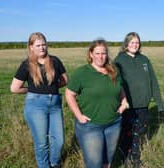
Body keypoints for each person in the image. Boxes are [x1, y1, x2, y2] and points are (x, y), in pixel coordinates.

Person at [65, 38, 129, 168]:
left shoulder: (113, 71)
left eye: (104, 53)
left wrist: (124, 103)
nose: (101, 57)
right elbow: (69, 94)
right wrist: (79, 116)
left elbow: (120, 88)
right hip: (90, 126)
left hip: (114, 123)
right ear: (91, 54)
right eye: (98, 53)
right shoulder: (82, 73)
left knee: (107, 161)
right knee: (94, 164)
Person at [10, 32, 68, 168]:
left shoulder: (55, 61)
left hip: (55, 105)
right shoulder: (26, 64)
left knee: (59, 140)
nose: (42, 48)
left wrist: (51, 87)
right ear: (31, 47)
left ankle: (54, 163)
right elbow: (14, 88)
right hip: (36, 105)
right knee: (42, 143)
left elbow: (65, 80)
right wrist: (32, 90)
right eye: (38, 45)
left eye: (44, 44)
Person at [114, 32, 164, 167]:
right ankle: (126, 158)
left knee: (139, 132)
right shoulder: (119, 61)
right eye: (132, 42)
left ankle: (133, 157)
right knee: (127, 133)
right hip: (128, 105)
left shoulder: (144, 60)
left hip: (143, 105)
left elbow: (153, 80)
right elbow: (113, 83)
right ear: (126, 44)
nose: (134, 45)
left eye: (137, 42)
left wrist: (159, 103)